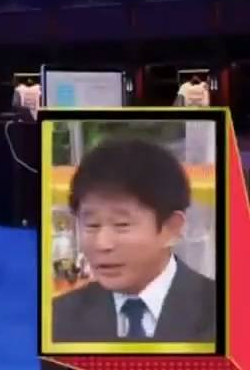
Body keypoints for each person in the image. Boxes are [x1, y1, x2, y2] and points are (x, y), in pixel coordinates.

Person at [51, 137, 216, 344]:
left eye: (122, 225)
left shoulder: (228, 313)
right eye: (92, 225)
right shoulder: (56, 319)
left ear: (171, 228)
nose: (102, 244)